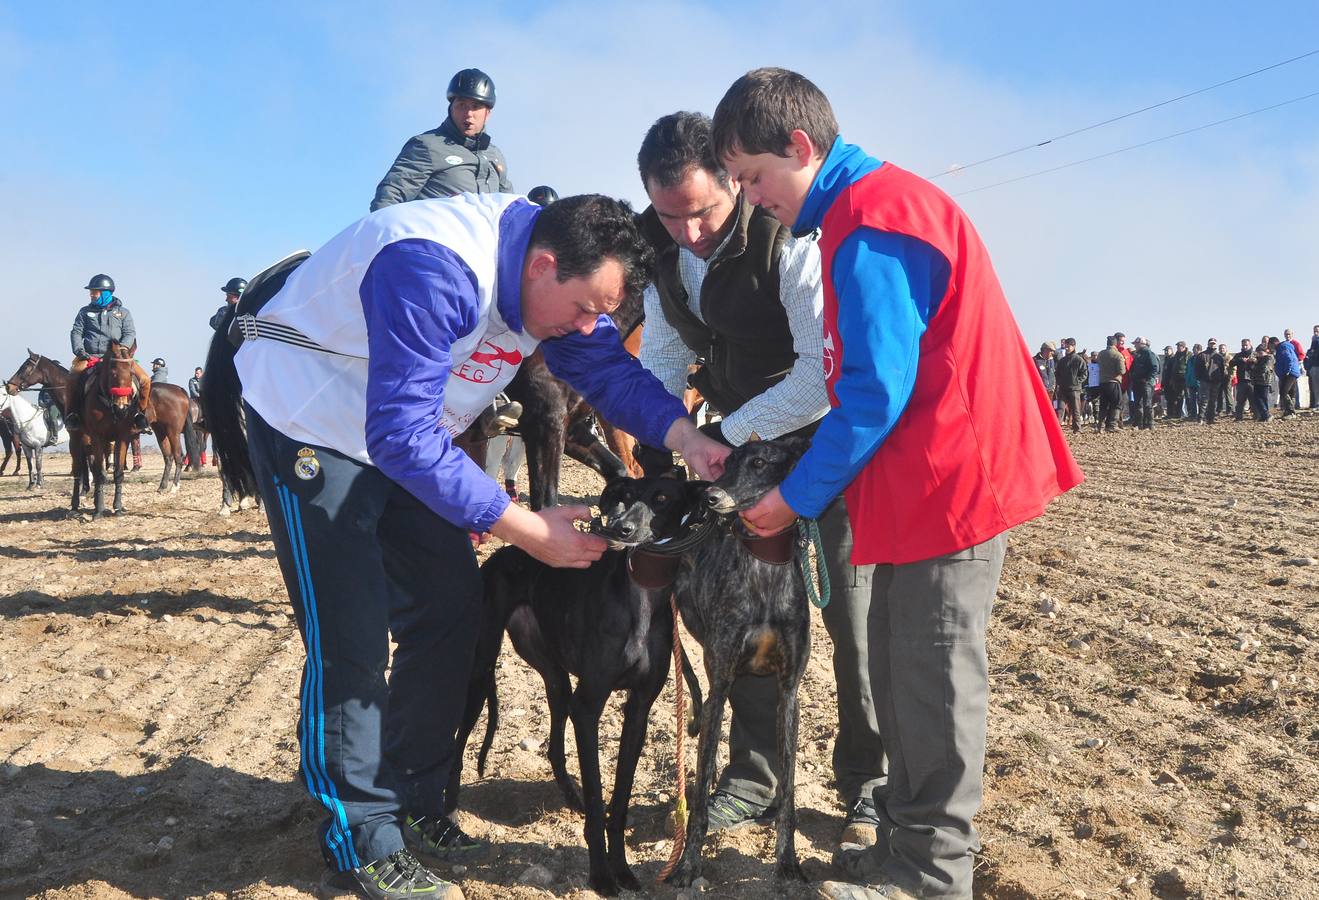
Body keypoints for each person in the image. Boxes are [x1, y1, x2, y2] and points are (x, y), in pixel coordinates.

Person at [228, 192, 730, 900]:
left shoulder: (558, 278)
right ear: (544, 266)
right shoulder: (432, 267)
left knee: (450, 610)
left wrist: (686, 440)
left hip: (408, 435)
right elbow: (398, 434)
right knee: (352, 636)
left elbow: (609, 372)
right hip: (312, 418)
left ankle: (417, 801)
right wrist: (526, 528)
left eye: (601, 314)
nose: (588, 327)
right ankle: (362, 836)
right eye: (586, 309)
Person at [711, 67, 1083, 900]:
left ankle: (930, 874)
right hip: (921, 485)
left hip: (951, 484)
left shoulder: (875, 220)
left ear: (799, 148)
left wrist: (792, 498)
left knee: (931, 678)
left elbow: (874, 390)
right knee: (897, 669)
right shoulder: (854, 214)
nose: (749, 197)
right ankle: (905, 850)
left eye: (753, 177)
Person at [632, 111, 885, 845]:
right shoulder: (663, 254)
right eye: (669, 216)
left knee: (850, 620)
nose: (688, 233)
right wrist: (665, 435)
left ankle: (868, 781)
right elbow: (661, 364)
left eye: (702, 212)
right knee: (738, 615)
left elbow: (818, 376)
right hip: (736, 456)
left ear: (729, 181)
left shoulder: (789, 241)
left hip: (831, 448)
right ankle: (752, 774)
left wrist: (720, 433)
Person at [370, 68, 512, 212]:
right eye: (461, 105)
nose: (468, 114)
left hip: (482, 234)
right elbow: (390, 197)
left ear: (487, 113)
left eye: (476, 107)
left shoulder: (495, 156)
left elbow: (510, 210)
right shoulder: (427, 145)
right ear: (451, 108)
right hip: (434, 232)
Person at [66, 273, 150, 430]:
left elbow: (130, 333)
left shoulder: (123, 313)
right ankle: (73, 414)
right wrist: (80, 351)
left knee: (145, 380)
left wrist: (121, 350)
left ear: (105, 293)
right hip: (90, 356)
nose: (91, 294)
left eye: (94, 291)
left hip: (118, 358)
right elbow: (76, 332)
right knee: (72, 378)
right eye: (91, 292)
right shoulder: (84, 312)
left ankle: (140, 414)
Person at [1055, 338, 1086, 433]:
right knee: (1060, 408)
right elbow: (1057, 373)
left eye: (1069, 346)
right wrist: (1060, 382)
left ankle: (1077, 428)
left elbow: (1084, 374)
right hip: (1063, 388)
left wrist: (1076, 382)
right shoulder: (1062, 361)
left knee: (1076, 409)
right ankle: (1056, 428)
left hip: (1074, 389)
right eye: (1066, 346)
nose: (1067, 348)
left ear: (1074, 346)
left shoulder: (1079, 360)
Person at [1128, 336, 1160, 429]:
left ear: (1141, 344)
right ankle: (1139, 424)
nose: (1135, 346)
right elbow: (1133, 368)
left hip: (1146, 383)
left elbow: (1155, 368)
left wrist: (1148, 379)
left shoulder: (1149, 354)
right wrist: (1133, 376)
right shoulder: (1138, 355)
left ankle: (1149, 424)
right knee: (1138, 403)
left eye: (1136, 344)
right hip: (1137, 382)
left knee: (1147, 403)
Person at [1096, 335, 1126, 432]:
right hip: (1114, 382)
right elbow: (1122, 371)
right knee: (1117, 403)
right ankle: (1112, 425)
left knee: (1103, 405)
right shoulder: (1118, 355)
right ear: (1115, 344)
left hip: (1102, 382)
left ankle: (1100, 426)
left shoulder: (1100, 354)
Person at [1195, 339, 1225, 424]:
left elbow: (1222, 369)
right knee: (1204, 400)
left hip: (1216, 381)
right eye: (1211, 343)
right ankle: (1200, 418)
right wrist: (1200, 378)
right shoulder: (1202, 355)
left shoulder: (1219, 356)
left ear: (1216, 345)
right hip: (1205, 381)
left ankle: (1210, 419)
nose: (1212, 345)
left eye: (1214, 344)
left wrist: (1220, 378)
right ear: (1208, 344)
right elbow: (1197, 368)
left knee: (1213, 401)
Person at [1273, 334, 1301, 419]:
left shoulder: (1283, 347)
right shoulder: (1283, 347)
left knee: (1284, 391)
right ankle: (1288, 412)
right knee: (1291, 392)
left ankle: (1291, 411)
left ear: (1273, 343)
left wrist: (1288, 370)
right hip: (1290, 372)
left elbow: (1289, 358)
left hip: (1290, 373)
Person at [1162, 341, 1189, 419]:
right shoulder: (1169, 358)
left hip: (1180, 379)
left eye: (1168, 350)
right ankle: (1173, 413)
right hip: (1171, 380)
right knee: (1173, 398)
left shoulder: (1175, 358)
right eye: (1165, 351)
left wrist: (1172, 379)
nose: (1166, 352)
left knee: (1182, 397)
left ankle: (1180, 413)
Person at [1249, 342, 1275, 421]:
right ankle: (1264, 416)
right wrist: (1251, 363)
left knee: (1260, 398)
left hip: (1265, 381)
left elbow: (1264, 368)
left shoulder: (1269, 358)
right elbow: (1250, 369)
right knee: (1259, 398)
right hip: (1257, 381)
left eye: (1261, 352)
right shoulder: (1259, 359)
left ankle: (1266, 414)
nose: (1259, 354)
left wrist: (1256, 363)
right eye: (1258, 353)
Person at [1230, 339, 1254, 420]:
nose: (1244, 347)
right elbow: (1231, 363)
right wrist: (1240, 360)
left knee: (1253, 400)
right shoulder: (1239, 355)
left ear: (1250, 345)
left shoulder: (1254, 354)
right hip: (1241, 380)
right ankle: (1238, 417)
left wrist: (1251, 361)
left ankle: (1257, 416)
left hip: (1252, 380)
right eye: (1243, 345)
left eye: (1246, 345)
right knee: (1240, 400)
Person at [1307, 325, 1319, 410]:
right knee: (1315, 386)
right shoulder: (1314, 341)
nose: (1316, 333)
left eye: (1317, 331)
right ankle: (1317, 403)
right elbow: (1310, 352)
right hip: (1314, 366)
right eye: (1315, 331)